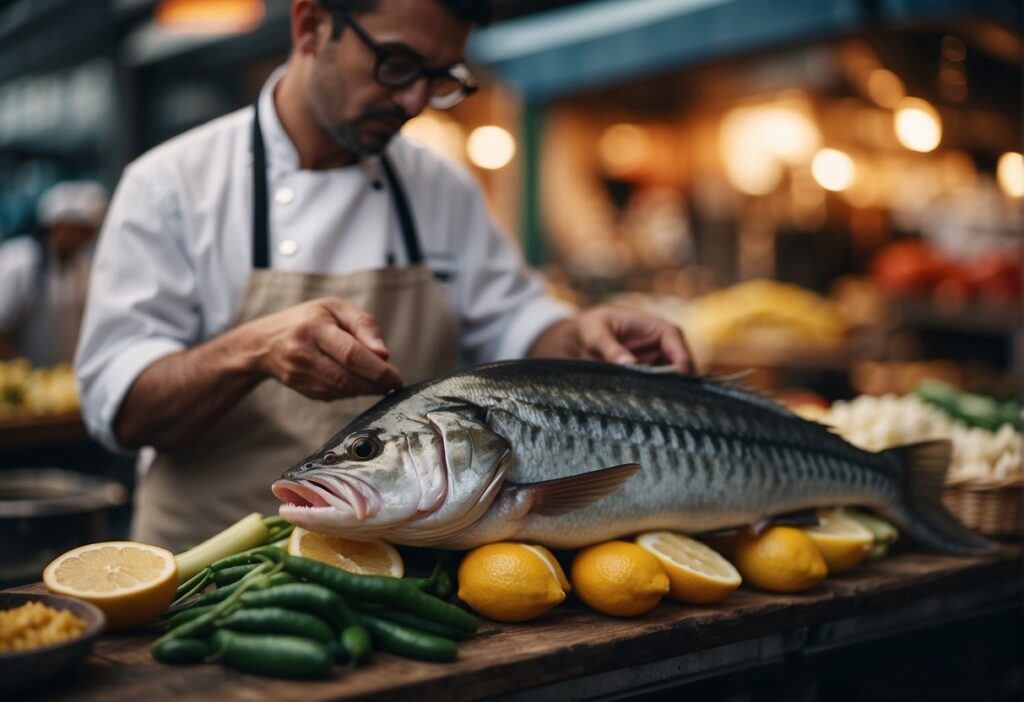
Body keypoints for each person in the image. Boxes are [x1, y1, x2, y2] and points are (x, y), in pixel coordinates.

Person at [75, 0, 693, 551]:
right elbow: (121, 409)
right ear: (311, 24)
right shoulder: (169, 186)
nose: (414, 101)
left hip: (400, 572)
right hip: (209, 575)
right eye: (396, 64)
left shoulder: (440, 185)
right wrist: (252, 349)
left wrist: (580, 334)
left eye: (440, 78)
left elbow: (514, 323)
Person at [0, 181, 107, 366]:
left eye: (89, 233)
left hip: (60, 381)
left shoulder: (81, 267)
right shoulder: (19, 261)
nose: (84, 239)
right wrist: (21, 373)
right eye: (80, 231)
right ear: (58, 225)